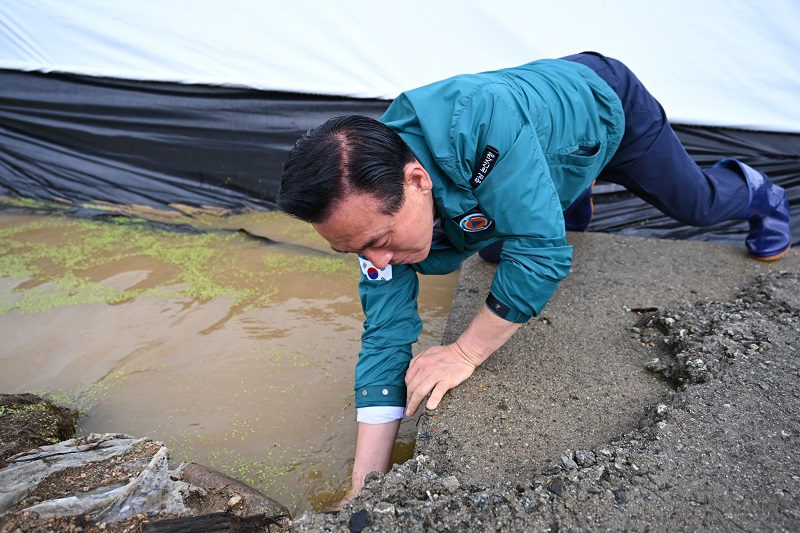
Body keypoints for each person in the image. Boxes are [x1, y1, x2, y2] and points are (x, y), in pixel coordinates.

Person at [276, 52, 792, 505]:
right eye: (354, 250)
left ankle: (759, 193)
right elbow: (385, 335)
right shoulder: (367, 202)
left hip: (607, 106)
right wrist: (365, 484)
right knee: (498, 247)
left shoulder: (479, 128)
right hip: (533, 140)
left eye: (381, 239)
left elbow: (542, 256)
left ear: (416, 180)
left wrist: (464, 352)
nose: (378, 260)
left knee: (695, 204)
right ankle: (567, 198)